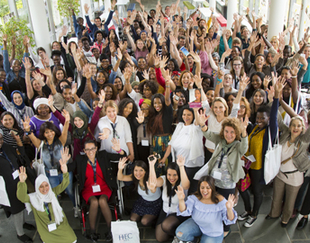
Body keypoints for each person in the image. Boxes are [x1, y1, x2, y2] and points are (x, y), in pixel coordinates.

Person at [237, 76, 285, 227]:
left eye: (262, 118)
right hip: (249, 164)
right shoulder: (255, 128)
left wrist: (276, 95)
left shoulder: (270, 131)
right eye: (258, 118)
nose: (259, 120)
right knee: (244, 188)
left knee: (257, 192)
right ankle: (248, 210)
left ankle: (255, 214)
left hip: (260, 168)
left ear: (268, 119)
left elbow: (274, 114)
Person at [195, 113, 248, 236]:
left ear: (236, 134)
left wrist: (244, 132)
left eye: (232, 132)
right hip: (214, 182)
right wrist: (202, 124)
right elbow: (208, 134)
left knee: (226, 207)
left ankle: (225, 228)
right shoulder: (221, 140)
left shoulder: (238, 146)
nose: (228, 135)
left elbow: (245, 147)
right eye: (226, 131)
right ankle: (215, 223)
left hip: (227, 184)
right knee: (214, 203)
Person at [68, 139, 126, 241]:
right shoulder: (80, 159)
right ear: (84, 150)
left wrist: (119, 150)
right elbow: (68, 168)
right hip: (88, 188)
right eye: (88, 149)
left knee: (102, 201)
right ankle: (92, 232)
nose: (91, 151)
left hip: (104, 187)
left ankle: (111, 230)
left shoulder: (103, 156)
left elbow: (122, 157)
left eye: (93, 149)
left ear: (96, 148)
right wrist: (63, 163)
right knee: (94, 202)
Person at [22, 110, 77, 216]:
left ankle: (75, 207)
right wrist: (28, 130)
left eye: (51, 131)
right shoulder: (40, 144)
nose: (50, 134)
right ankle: (56, 211)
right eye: (46, 132)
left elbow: (65, 130)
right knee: (53, 193)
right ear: (43, 134)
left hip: (63, 171)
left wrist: (67, 121)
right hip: (50, 174)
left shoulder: (60, 140)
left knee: (70, 191)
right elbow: (31, 136)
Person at [17, 148, 77, 243]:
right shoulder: (33, 198)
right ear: (37, 187)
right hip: (46, 230)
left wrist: (65, 171)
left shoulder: (52, 192)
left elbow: (64, 184)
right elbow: (21, 197)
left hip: (60, 225)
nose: (45, 189)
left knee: (73, 239)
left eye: (46, 185)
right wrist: (22, 182)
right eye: (41, 186)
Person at [266, 116, 310, 227]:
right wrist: (274, 100)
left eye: (299, 126)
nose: (296, 128)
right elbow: (278, 119)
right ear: (289, 127)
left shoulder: (304, 140)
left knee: (290, 202)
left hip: (295, 177)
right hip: (280, 174)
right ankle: (274, 214)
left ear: (302, 128)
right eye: (293, 125)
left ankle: (285, 219)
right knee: (276, 197)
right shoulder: (285, 134)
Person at [174, 176, 237, 243]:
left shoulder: (220, 200)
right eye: (202, 187)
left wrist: (229, 209)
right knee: (179, 233)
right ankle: (193, 241)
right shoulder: (195, 198)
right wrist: (181, 200)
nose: (204, 190)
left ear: (212, 188)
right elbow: (184, 212)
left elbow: (230, 220)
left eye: (208, 188)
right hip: (197, 224)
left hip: (213, 232)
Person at [0, 129, 35, 243]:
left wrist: (18, 141)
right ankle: (20, 233)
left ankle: (23, 223)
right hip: (6, 186)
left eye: (0, 138)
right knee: (16, 208)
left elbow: (19, 155)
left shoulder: (5, 147)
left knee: (22, 202)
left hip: (19, 180)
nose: (0, 141)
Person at [161, 107, 204, 194]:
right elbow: (171, 143)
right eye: (184, 114)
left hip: (191, 165)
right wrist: (164, 158)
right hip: (179, 164)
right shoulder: (180, 126)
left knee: (191, 189)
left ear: (193, 116)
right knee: (181, 187)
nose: (186, 117)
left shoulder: (196, 127)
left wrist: (196, 110)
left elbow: (197, 123)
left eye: (189, 114)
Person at [149, 155, 190, 242]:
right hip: (165, 212)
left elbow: (186, 186)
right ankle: (173, 232)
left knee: (166, 225)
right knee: (160, 238)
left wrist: (181, 166)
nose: (171, 178)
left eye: (175, 175)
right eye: (169, 174)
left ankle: (179, 236)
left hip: (178, 213)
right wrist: (151, 165)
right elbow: (154, 182)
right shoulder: (164, 179)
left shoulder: (182, 181)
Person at [117, 157, 162, 227]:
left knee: (144, 221)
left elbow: (153, 190)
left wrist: (151, 165)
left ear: (145, 171)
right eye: (136, 170)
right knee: (133, 218)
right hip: (143, 201)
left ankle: (155, 219)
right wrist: (120, 169)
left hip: (154, 204)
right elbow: (120, 178)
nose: (138, 173)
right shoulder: (135, 177)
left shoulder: (150, 179)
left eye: (141, 170)